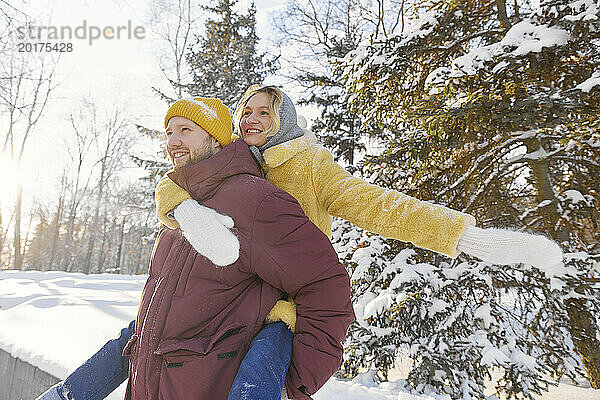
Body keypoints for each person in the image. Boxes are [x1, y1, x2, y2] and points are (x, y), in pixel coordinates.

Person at [37, 87, 563, 400]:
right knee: (138, 335)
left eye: (265, 112)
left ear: (285, 119)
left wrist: (462, 235)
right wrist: (183, 208)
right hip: (216, 308)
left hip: (279, 310)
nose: (252, 121)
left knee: (262, 371)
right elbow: (178, 181)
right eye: (245, 114)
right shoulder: (224, 170)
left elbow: (378, 207)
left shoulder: (307, 170)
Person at [37, 97, 354, 400]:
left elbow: (326, 284)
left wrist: (293, 381)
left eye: (186, 130)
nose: (173, 141)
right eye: (169, 132)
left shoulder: (255, 200)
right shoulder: (179, 213)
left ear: (217, 139)